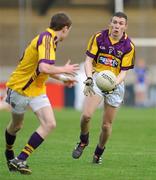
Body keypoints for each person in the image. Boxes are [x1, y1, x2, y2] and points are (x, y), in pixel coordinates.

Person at [5, 12, 79, 174]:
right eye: (70, 30)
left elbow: (43, 69)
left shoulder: (51, 40)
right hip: (20, 89)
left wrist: (61, 77)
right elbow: (43, 68)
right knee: (16, 126)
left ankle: (20, 159)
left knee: (50, 123)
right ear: (65, 29)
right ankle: (9, 151)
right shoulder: (46, 39)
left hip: (37, 89)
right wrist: (64, 69)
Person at [72, 12, 135, 164]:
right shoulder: (99, 37)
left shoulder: (128, 45)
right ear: (110, 24)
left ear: (125, 27)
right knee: (86, 115)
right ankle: (83, 140)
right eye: (115, 22)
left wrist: (114, 83)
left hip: (115, 84)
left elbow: (124, 72)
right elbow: (88, 60)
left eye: (121, 23)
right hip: (98, 79)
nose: (117, 26)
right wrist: (88, 78)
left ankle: (98, 153)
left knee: (106, 125)